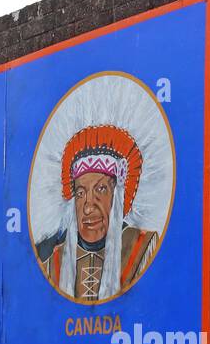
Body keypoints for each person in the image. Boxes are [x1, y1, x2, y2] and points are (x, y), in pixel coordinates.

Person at [37, 127, 158, 302]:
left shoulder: (143, 248)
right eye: (80, 193)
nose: (88, 208)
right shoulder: (53, 264)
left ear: (116, 197)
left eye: (101, 189)